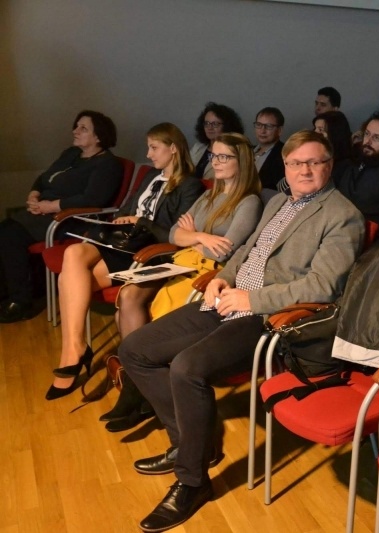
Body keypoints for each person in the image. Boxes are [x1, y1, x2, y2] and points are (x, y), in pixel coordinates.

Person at [118, 130, 364, 533]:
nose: (305, 169)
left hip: (270, 318)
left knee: (186, 368)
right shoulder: (279, 200)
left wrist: (253, 300)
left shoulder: (342, 215)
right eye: (296, 162)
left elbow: (323, 287)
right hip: (228, 298)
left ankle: (192, 481)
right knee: (136, 349)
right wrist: (222, 277)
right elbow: (248, 250)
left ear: (329, 165)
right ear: (285, 166)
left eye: (314, 162)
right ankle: (192, 444)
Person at [101, 133, 263, 431]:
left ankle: (138, 393)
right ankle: (140, 388)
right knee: (128, 297)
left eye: (224, 156)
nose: (216, 162)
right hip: (181, 260)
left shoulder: (248, 201)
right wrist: (201, 236)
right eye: (214, 156)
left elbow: (227, 248)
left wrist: (193, 237)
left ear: (242, 160)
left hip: (210, 272)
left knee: (152, 318)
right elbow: (175, 231)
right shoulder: (210, 194)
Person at [45, 123, 205, 400]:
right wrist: (119, 220)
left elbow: (175, 232)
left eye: (154, 148)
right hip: (121, 239)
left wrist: (140, 221)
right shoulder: (149, 177)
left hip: (146, 246)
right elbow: (126, 207)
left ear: (174, 149)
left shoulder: (190, 185)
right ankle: (74, 347)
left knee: (68, 277)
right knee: (74, 254)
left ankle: (74, 353)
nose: (149, 154)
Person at [0, 110, 123, 323]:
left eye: (83, 128)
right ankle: (12, 292)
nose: (75, 131)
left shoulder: (107, 164)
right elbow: (44, 177)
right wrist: (34, 194)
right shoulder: (71, 153)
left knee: (8, 236)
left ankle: (21, 301)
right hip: (44, 212)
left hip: (71, 219)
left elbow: (93, 199)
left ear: (99, 136)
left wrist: (52, 206)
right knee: (4, 230)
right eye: (76, 126)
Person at [189, 102, 245, 179]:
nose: (210, 127)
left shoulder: (232, 151)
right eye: (207, 123)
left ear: (227, 126)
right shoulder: (198, 147)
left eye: (215, 124)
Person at [312, 110, 353, 182]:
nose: (315, 133)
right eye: (315, 128)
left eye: (320, 130)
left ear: (334, 134)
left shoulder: (346, 167)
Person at [252, 107, 285, 190]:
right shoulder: (247, 150)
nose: (262, 131)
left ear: (279, 130)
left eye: (268, 126)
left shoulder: (285, 154)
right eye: (259, 125)